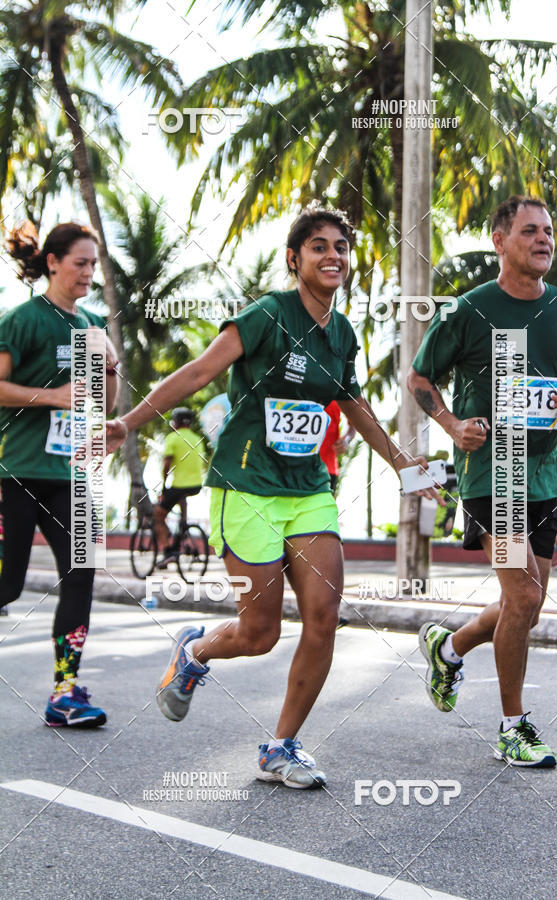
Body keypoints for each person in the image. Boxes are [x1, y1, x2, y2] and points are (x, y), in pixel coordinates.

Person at [105, 202, 439, 789]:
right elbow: (197, 373)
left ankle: (280, 747)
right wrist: (128, 423)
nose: (333, 254)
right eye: (319, 246)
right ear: (295, 259)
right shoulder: (266, 315)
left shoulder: (342, 334)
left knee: (324, 616)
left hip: (309, 491)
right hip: (247, 486)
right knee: (259, 633)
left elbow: (354, 407)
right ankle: (195, 652)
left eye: (340, 246)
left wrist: (406, 467)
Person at [408, 195, 557, 768]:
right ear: (499, 241)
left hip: (546, 472)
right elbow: (420, 377)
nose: (544, 239)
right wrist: (451, 423)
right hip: (495, 472)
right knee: (523, 596)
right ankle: (513, 726)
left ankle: (449, 646)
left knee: (528, 604)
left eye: (548, 231)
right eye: (529, 231)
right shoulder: (467, 310)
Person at [0, 221, 119, 726]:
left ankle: (65, 694)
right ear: (52, 262)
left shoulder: (93, 325)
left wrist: (110, 372)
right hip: (17, 472)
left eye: (94, 264)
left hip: (71, 475)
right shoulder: (22, 321)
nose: (89, 272)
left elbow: (99, 405)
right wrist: (50, 396)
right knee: (8, 584)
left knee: (81, 572)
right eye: (80, 262)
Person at [154, 406, 205, 566]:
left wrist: (163, 487)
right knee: (181, 497)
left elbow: (166, 465)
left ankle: (169, 551)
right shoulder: (197, 439)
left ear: (175, 422)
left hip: (179, 486)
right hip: (196, 486)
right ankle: (182, 527)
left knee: (158, 516)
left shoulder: (173, 438)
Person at [319, 400, 356, 493]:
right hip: (292, 465)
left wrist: (346, 440)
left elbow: (354, 422)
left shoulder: (338, 388)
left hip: (327, 469)